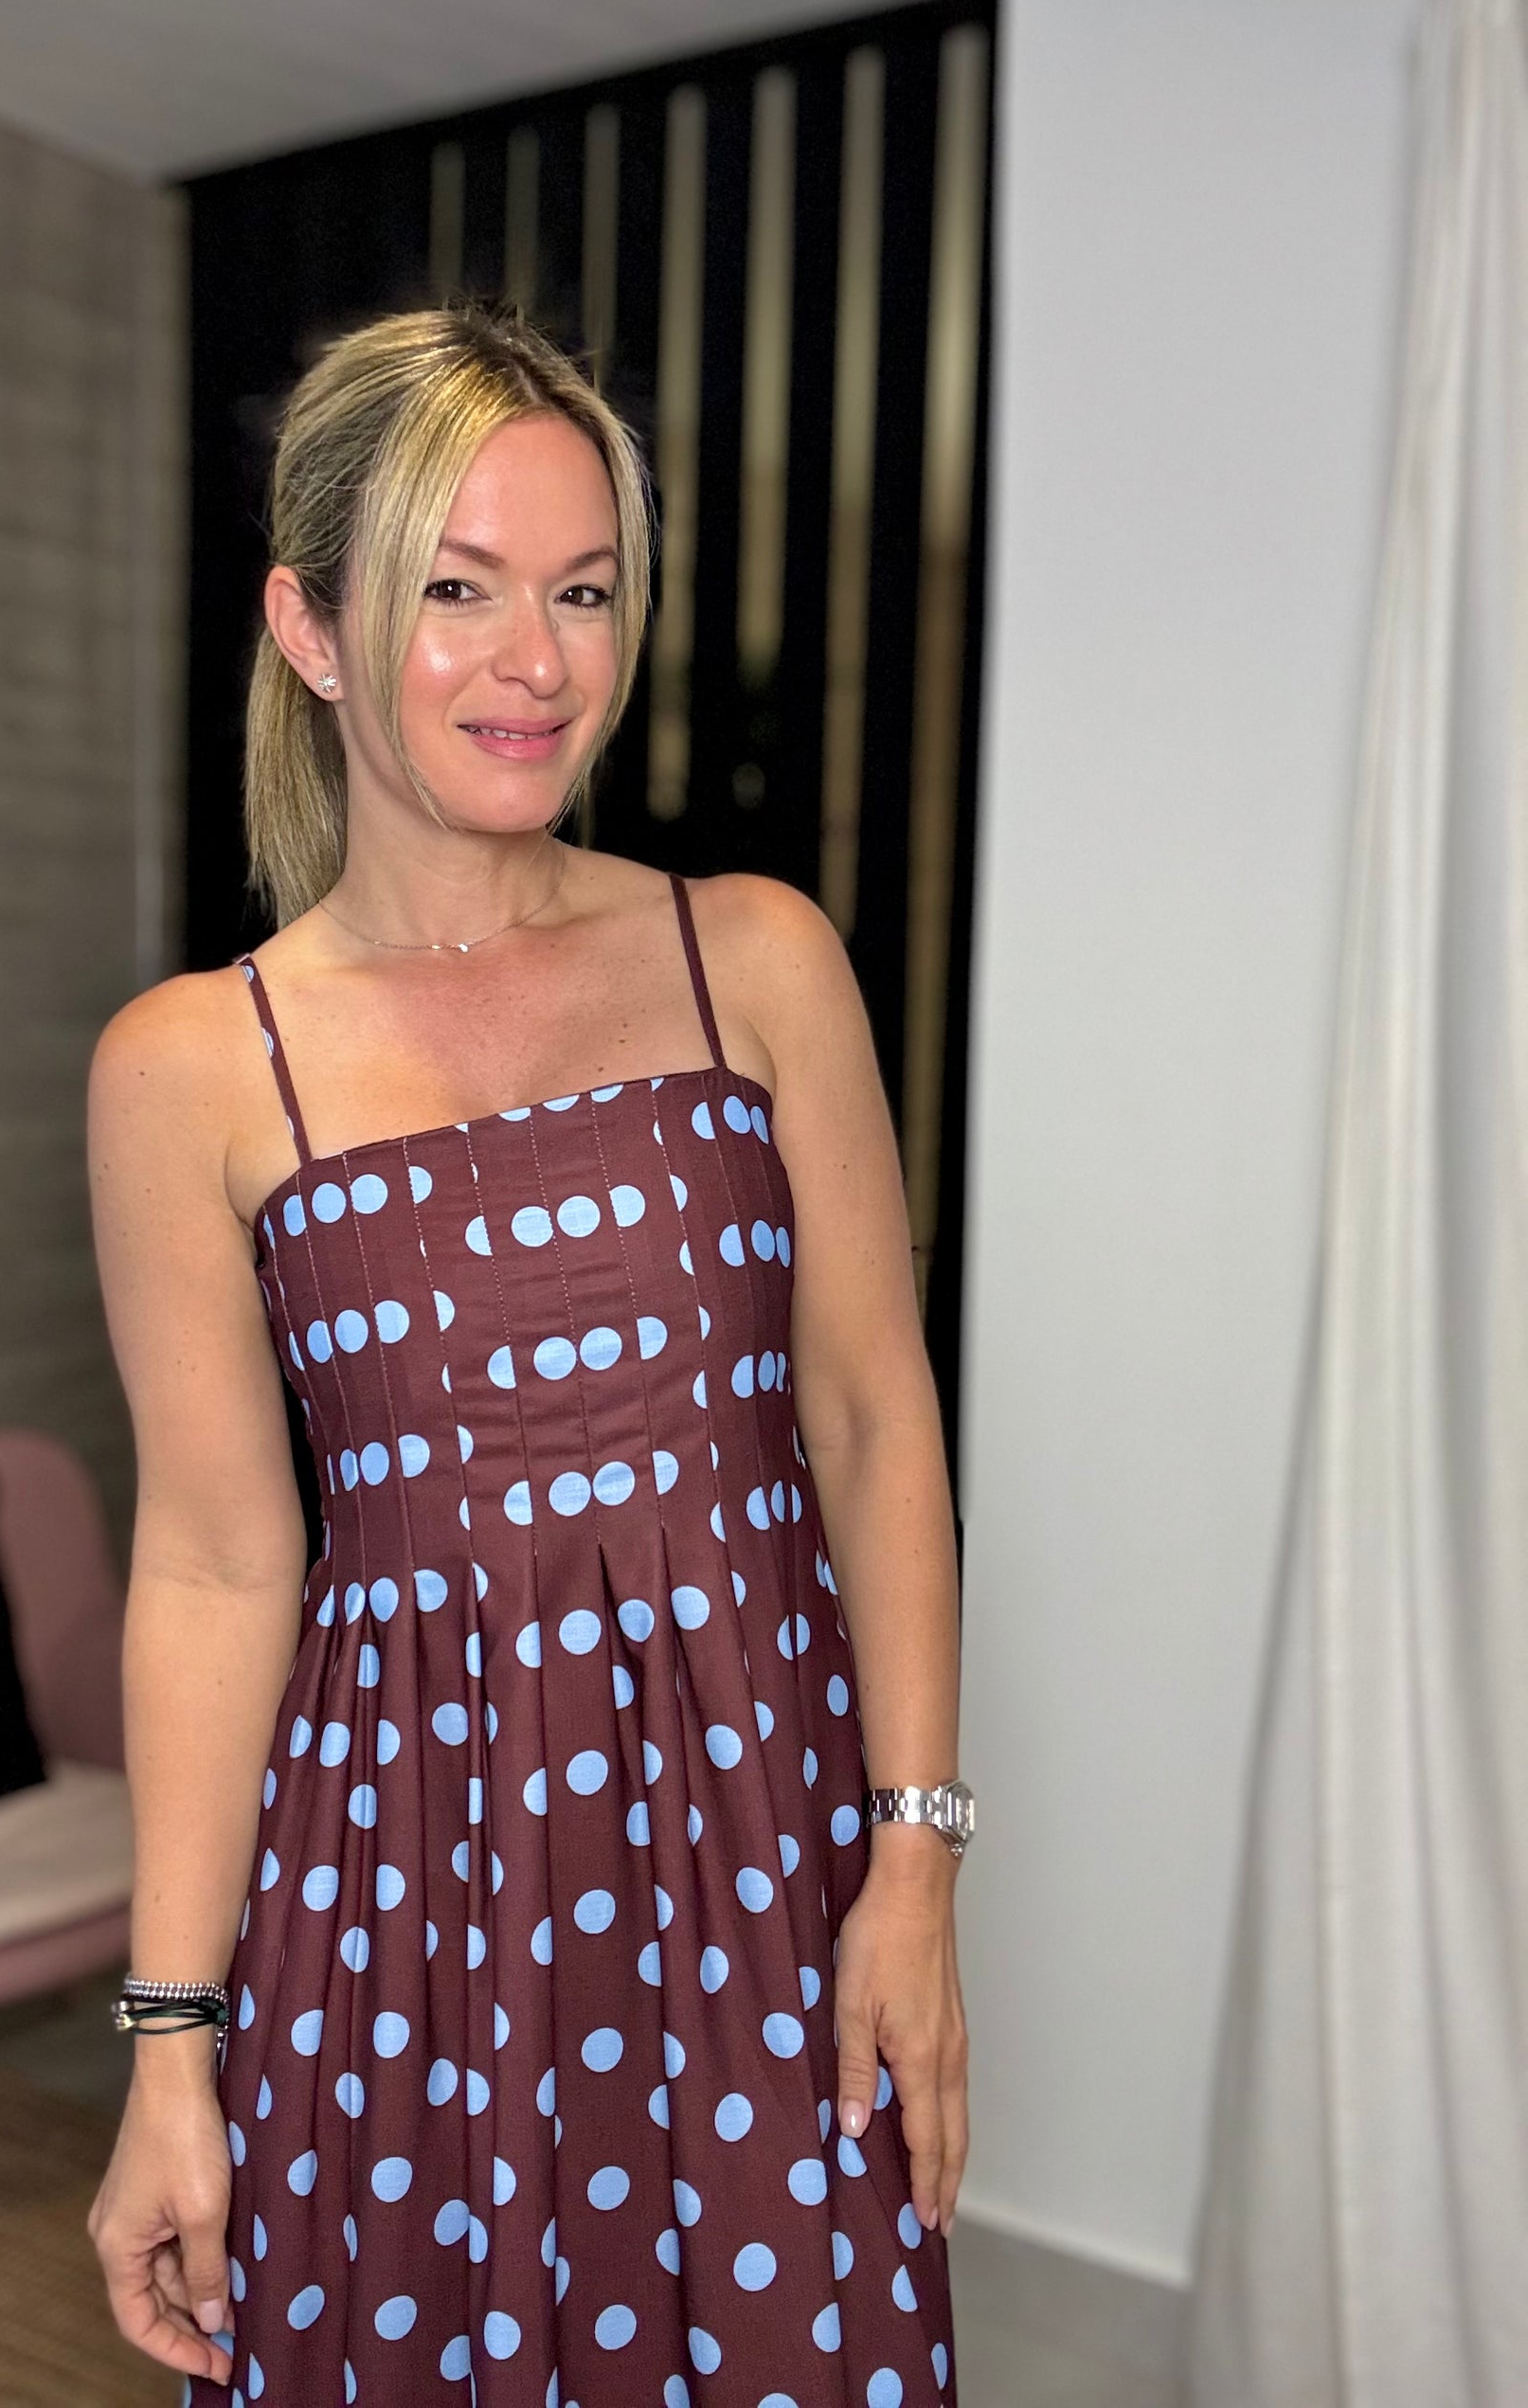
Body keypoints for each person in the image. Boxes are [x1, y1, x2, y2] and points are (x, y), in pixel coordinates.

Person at [85, 300, 969, 2408]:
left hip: (763, 1869)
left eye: (581, 591)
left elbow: (871, 1418)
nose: (538, 662)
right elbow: (214, 1562)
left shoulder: (752, 956)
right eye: (455, 589)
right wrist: (171, 2047)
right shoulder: (194, 1062)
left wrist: (915, 1859)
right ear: (310, 626)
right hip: (391, 1898)